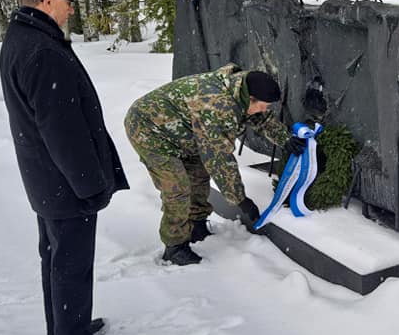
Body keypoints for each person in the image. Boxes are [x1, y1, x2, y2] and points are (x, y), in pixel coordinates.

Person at [0, 0, 129, 335]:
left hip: (46, 177)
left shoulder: (22, 37)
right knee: (71, 260)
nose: (72, 8)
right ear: (48, 0)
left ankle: (64, 326)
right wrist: (89, 186)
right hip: (63, 181)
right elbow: (62, 131)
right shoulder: (42, 51)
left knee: (56, 255)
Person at [125, 64, 306, 265]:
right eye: (263, 105)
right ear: (251, 98)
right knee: (177, 189)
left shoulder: (243, 90)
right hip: (148, 129)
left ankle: (196, 225)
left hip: (185, 131)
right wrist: (241, 200)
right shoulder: (218, 106)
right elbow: (220, 159)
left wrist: (285, 140)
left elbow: (261, 118)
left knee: (199, 175)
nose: (264, 110)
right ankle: (175, 247)